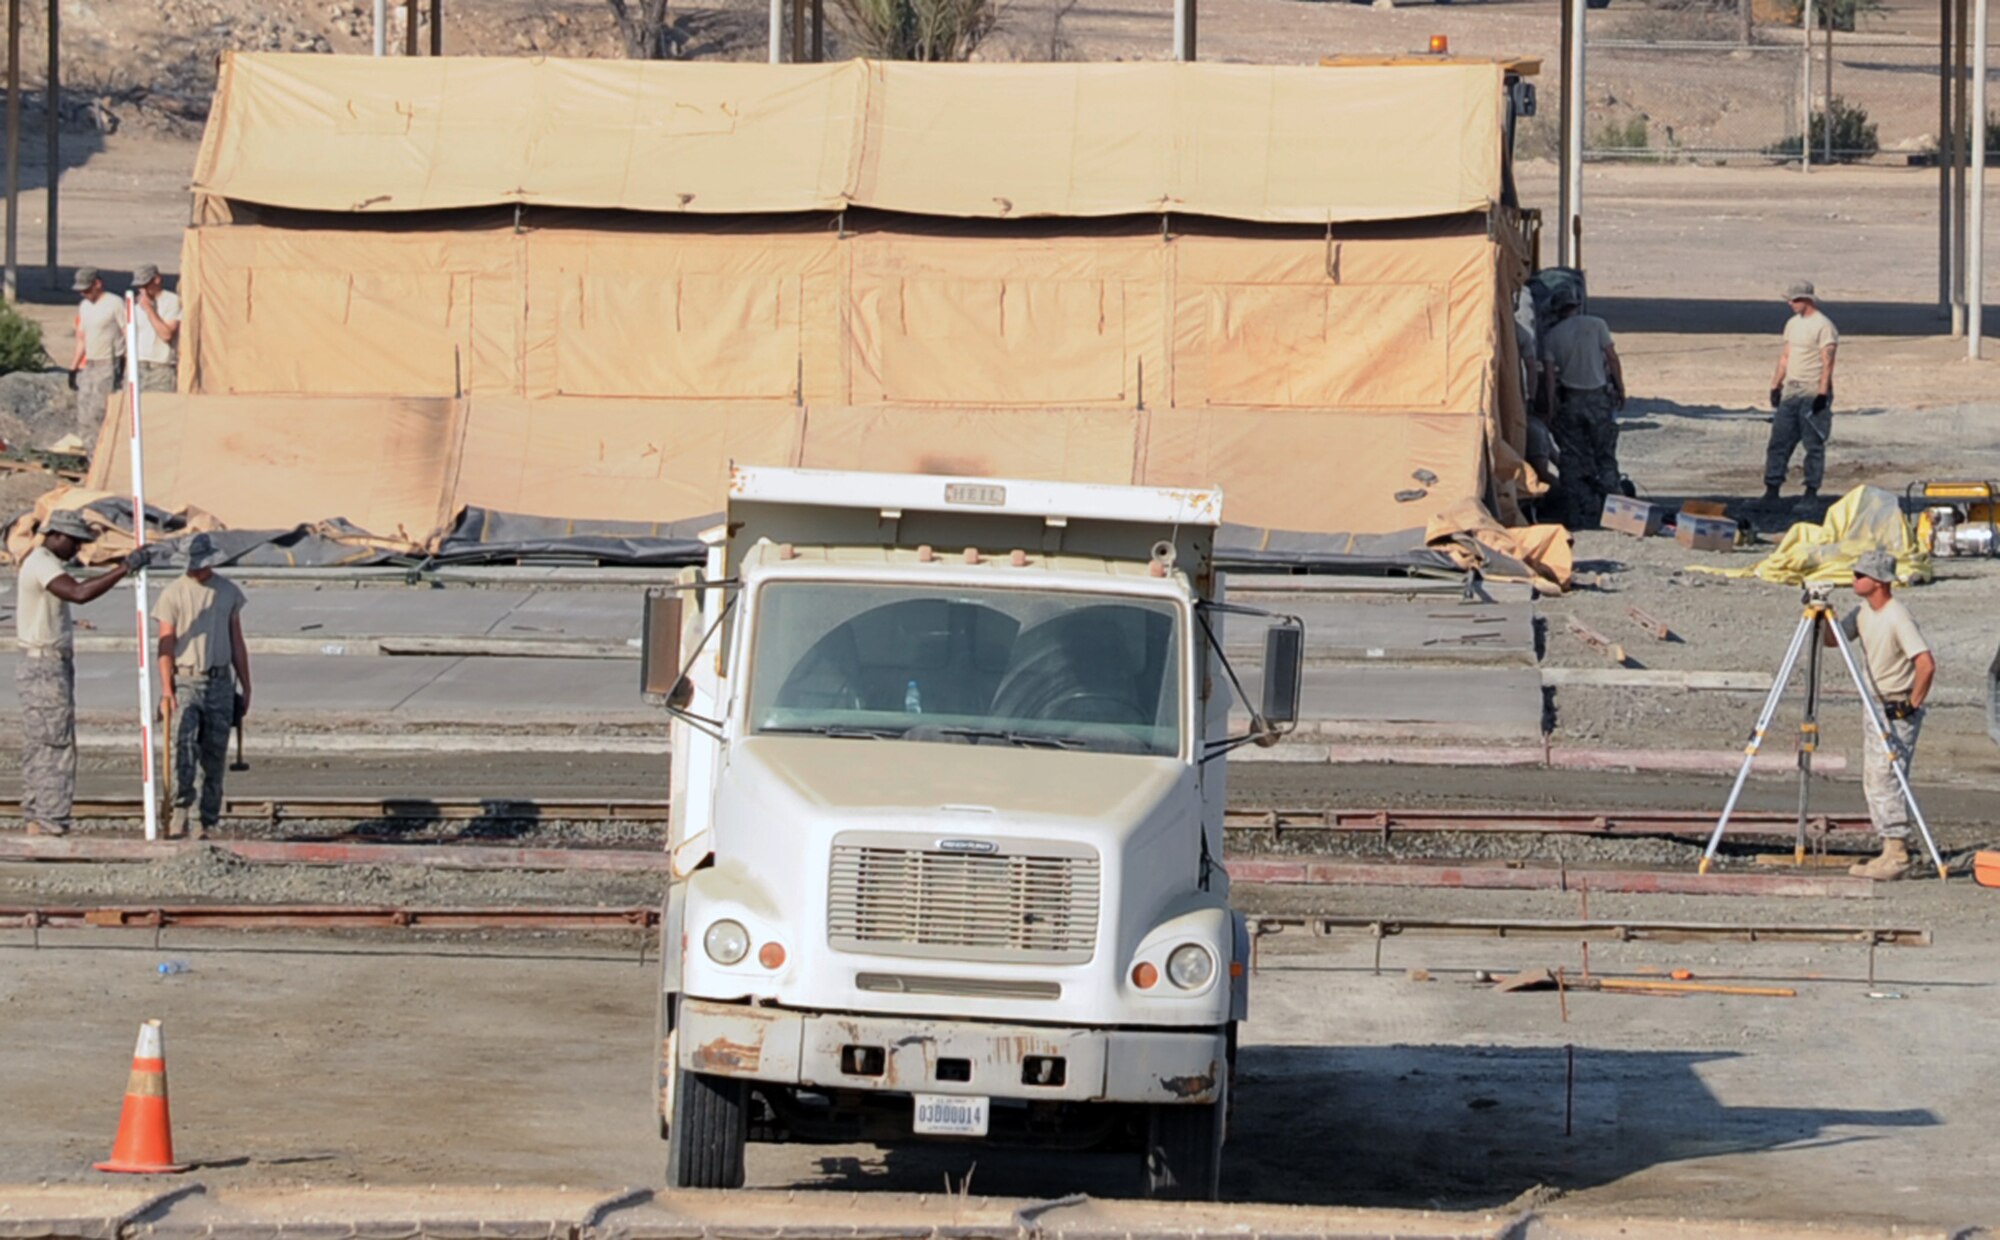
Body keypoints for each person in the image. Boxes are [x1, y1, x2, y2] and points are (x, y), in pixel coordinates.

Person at [15, 511, 150, 836]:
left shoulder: (44, 560)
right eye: (75, 542)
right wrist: (125, 568)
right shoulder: (43, 562)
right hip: (44, 667)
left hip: (46, 664)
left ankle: (39, 816)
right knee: (54, 744)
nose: (77, 550)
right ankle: (49, 821)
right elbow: (79, 593)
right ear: (57, 535)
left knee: (44, 742)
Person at [1826, 549, 1934, 881]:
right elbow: (1834, 640)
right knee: (1874, 776)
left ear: (1878, 581)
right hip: (1874, 703)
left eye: (1859, 576)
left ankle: (1897, 852)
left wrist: (1912, 703)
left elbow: (1926, 664)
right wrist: (1821, 615)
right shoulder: (1862, 612)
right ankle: (1890, 847)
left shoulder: (1897, 616)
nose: (1853, 580)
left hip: (1896, 706)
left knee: (1886, 776)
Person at [155, 534, 250, 838]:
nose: (195, 571)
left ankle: (206, 820)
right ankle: (179, 810)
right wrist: (167, 690)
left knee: (214, 753)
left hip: (220, 680)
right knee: (182, 746)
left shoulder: (227, 592)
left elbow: (237, 640)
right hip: (185, 679)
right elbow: (165, 644)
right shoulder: (173, 594)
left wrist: (246, 685)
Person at [1539, 285, 1626, 528]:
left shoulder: (1551, 336)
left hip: (1570, 402)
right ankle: (1618, 514)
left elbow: (1549, 378)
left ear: (1557, 311)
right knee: (1605, 457)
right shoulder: (1596, 324)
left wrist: (1552, 406)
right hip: (1597, 399)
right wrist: (1620, 387)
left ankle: (1578, 515)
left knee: (1572, 459)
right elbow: (1611, 357)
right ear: (1577, 306)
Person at [1764, 281, 1839, 508]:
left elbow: (1828, 363)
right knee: (1779, 441)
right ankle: (1772, 489)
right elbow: (1786, 355)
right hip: (1791, 389)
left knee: (1812, 443)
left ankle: (1810, 492)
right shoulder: (1792, 324)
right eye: (1789, 299)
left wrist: (1822, 394)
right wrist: (1776, 385)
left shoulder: (1824, 326)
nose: (1790, 303)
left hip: (1811, 389)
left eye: (1795, 299)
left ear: (1807, 299)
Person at [69, 267, 129, 446]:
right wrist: (73, 367)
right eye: (81, 291)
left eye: (87, 289)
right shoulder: (84, 306)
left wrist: (126, 364)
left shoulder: (114, 303)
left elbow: (127, 333)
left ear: (97, 284)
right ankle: (90, 455)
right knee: (84, 413)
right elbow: (82, 338)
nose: (83, 294)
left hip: (109, 363)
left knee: (99, 412)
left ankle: (102, 453)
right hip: (90, 365)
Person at [131, 264, 180, 393]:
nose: (143, 291)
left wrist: (149, 309)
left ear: (156, 280)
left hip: (160, 367)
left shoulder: (172, 301)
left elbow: (166, 334)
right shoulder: (136, 306)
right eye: (139, 287)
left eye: (146, 285)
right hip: (138, 364)